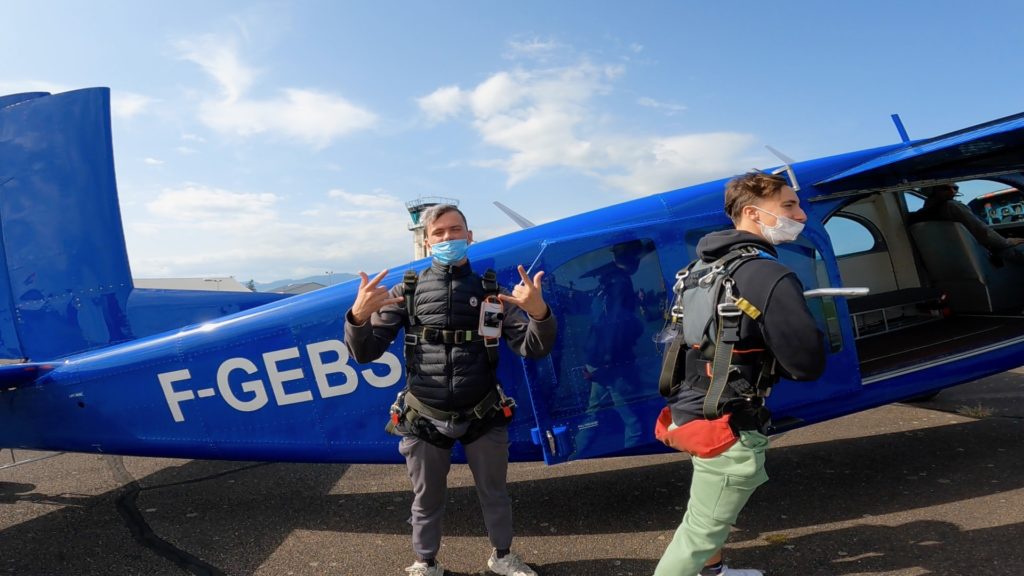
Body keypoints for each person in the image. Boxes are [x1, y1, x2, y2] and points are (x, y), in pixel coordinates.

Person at [344, 204, 557, 576]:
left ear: (469, 236)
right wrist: (357, 318)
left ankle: (503, 556)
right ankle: (425, 562)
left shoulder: (492, 293)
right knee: (425, 499)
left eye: (455, 230)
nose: (448, 238)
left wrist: (539, 314)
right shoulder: (405, 292)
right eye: (439, 233)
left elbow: (532, 347)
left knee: (495, 493)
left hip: (483, 412)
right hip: (424, 414)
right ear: (426, 241)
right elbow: (364, 352)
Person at [654, 172, 826, 576]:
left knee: (707, 507)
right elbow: (806, 363)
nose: (800, 214)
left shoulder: (699, 267)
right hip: (728, 418)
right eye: (788, 206)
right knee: (701, 529)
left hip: (691, 407)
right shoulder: (767, 274)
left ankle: (712, 572)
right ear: (752, 213)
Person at [913, 183, 1024, 265]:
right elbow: (983, 233)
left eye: (955, 188)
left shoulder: (919, 216)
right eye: (945, 188)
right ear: (930, 190)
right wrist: (1007, 241)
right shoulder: (952, 206)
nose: (953, 192)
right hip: (983, 257)